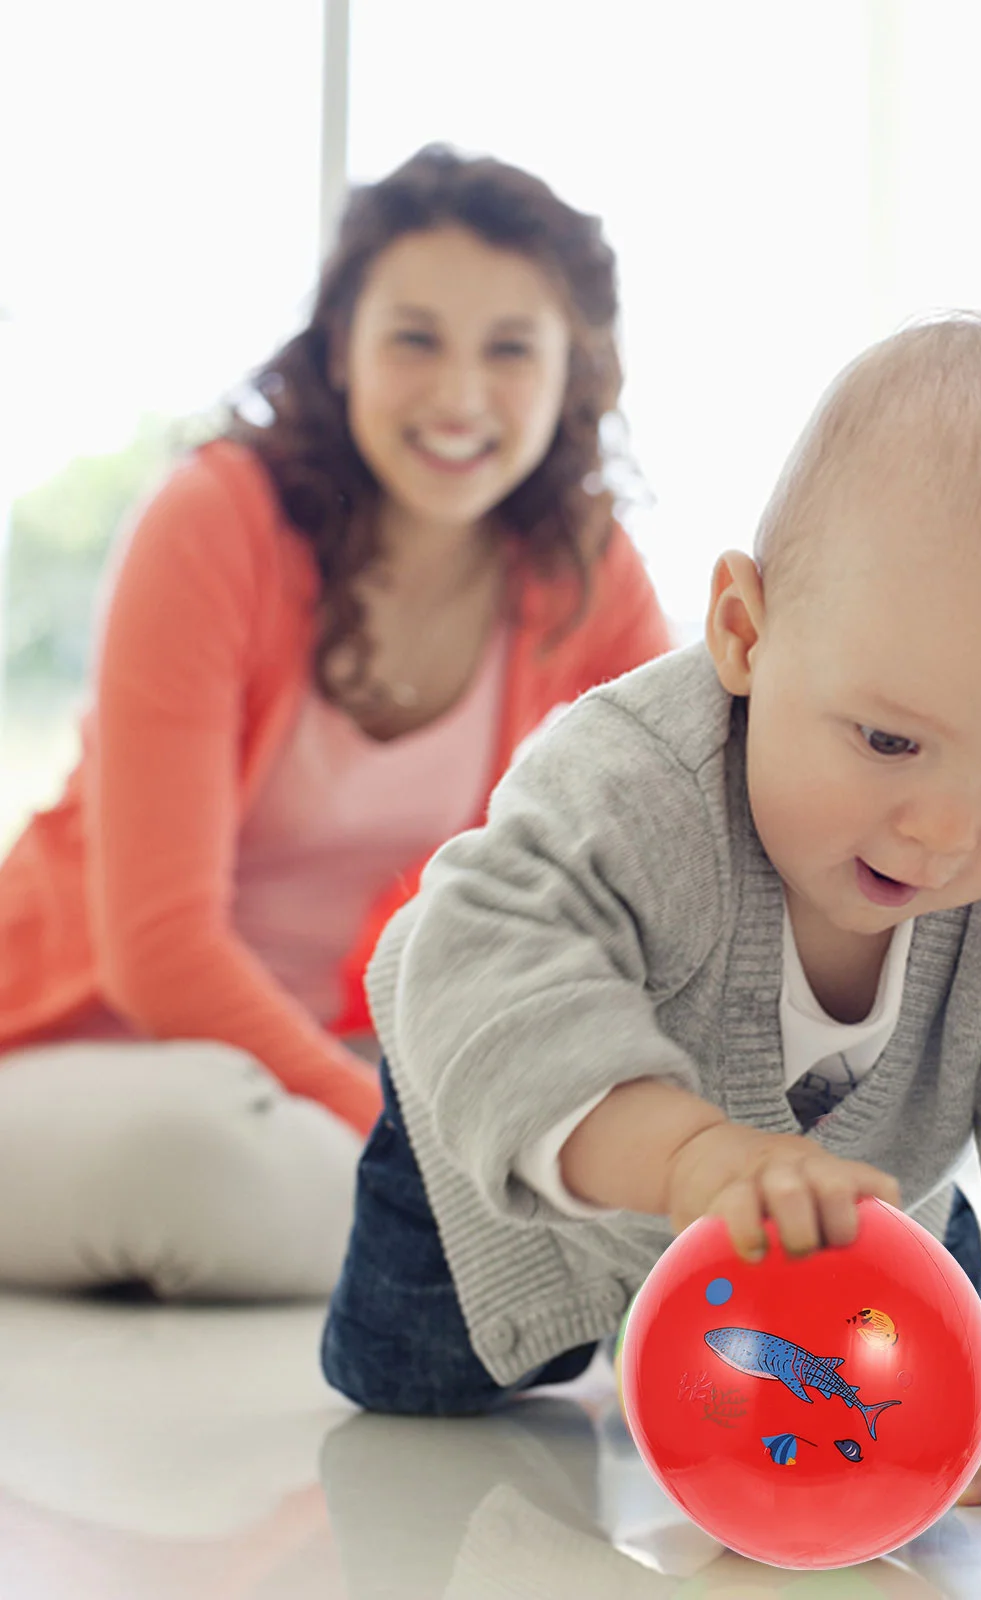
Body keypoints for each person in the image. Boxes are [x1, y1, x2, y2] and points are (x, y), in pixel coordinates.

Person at [322, 314, 981, 1527]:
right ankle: (556, 1309)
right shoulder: (629, 779)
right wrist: (686, 1160)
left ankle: (902, 1236)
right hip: (495, 1149)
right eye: (890, 741)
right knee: (416, 1388)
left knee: (966, 1376)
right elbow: (490, 962)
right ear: (746, 634)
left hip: (827, 1196)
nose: (938, 833)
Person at [0, 145, 672, 1301]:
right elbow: (159, 954)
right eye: (415, 337)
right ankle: (475, 1252)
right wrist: (425, 1144)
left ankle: (467, 1250)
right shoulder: (214, 521)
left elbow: (676, 881)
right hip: (97, 1052)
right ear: (343, 347)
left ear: (572, 372)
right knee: (204, 1151)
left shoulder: (588, 578)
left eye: (510, 348)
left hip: (336, 1067)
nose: (460, 395)